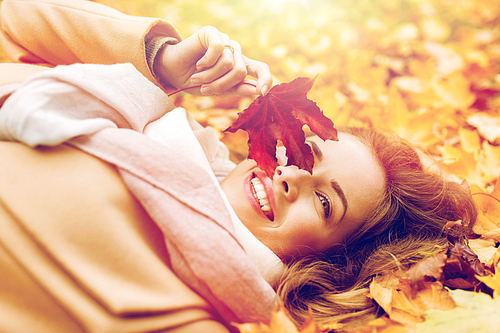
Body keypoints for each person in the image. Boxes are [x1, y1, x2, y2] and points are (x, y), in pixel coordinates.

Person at [0, 0, 477, 332]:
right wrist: (160, 62)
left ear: (328, 263)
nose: (291, 178)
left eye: (325, 201)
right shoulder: (146, 118)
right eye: (306, 152)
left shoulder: (193, 314)